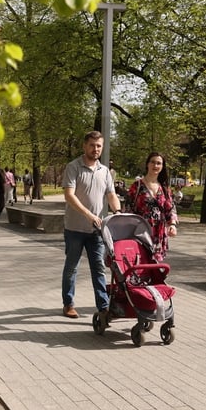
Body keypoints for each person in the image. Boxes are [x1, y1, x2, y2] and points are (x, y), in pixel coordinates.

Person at [61, 130, 122, 320]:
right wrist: (88, 214)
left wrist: (117, 212)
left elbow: (111, 195)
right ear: (84, 146)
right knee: (72, 267)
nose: (95, 149)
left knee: (99, 268)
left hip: (97, 230)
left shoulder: (104, 171)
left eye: (99, 146)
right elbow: (69, 195)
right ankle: (68, 304)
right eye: (92, 145)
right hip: (74, 229)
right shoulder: (73, 167)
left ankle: (103, 307)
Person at [124, 152, 179, 261]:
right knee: (140, 264)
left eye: (159, 163)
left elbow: (170, 208)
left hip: (159, 233)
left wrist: (172, 225)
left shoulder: (164, 188)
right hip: (140, 233)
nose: (155, 166)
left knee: (156, 268)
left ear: (162, 166)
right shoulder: (137, 186)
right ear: (147, 164)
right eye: (153, 162)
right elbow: (127, 209)